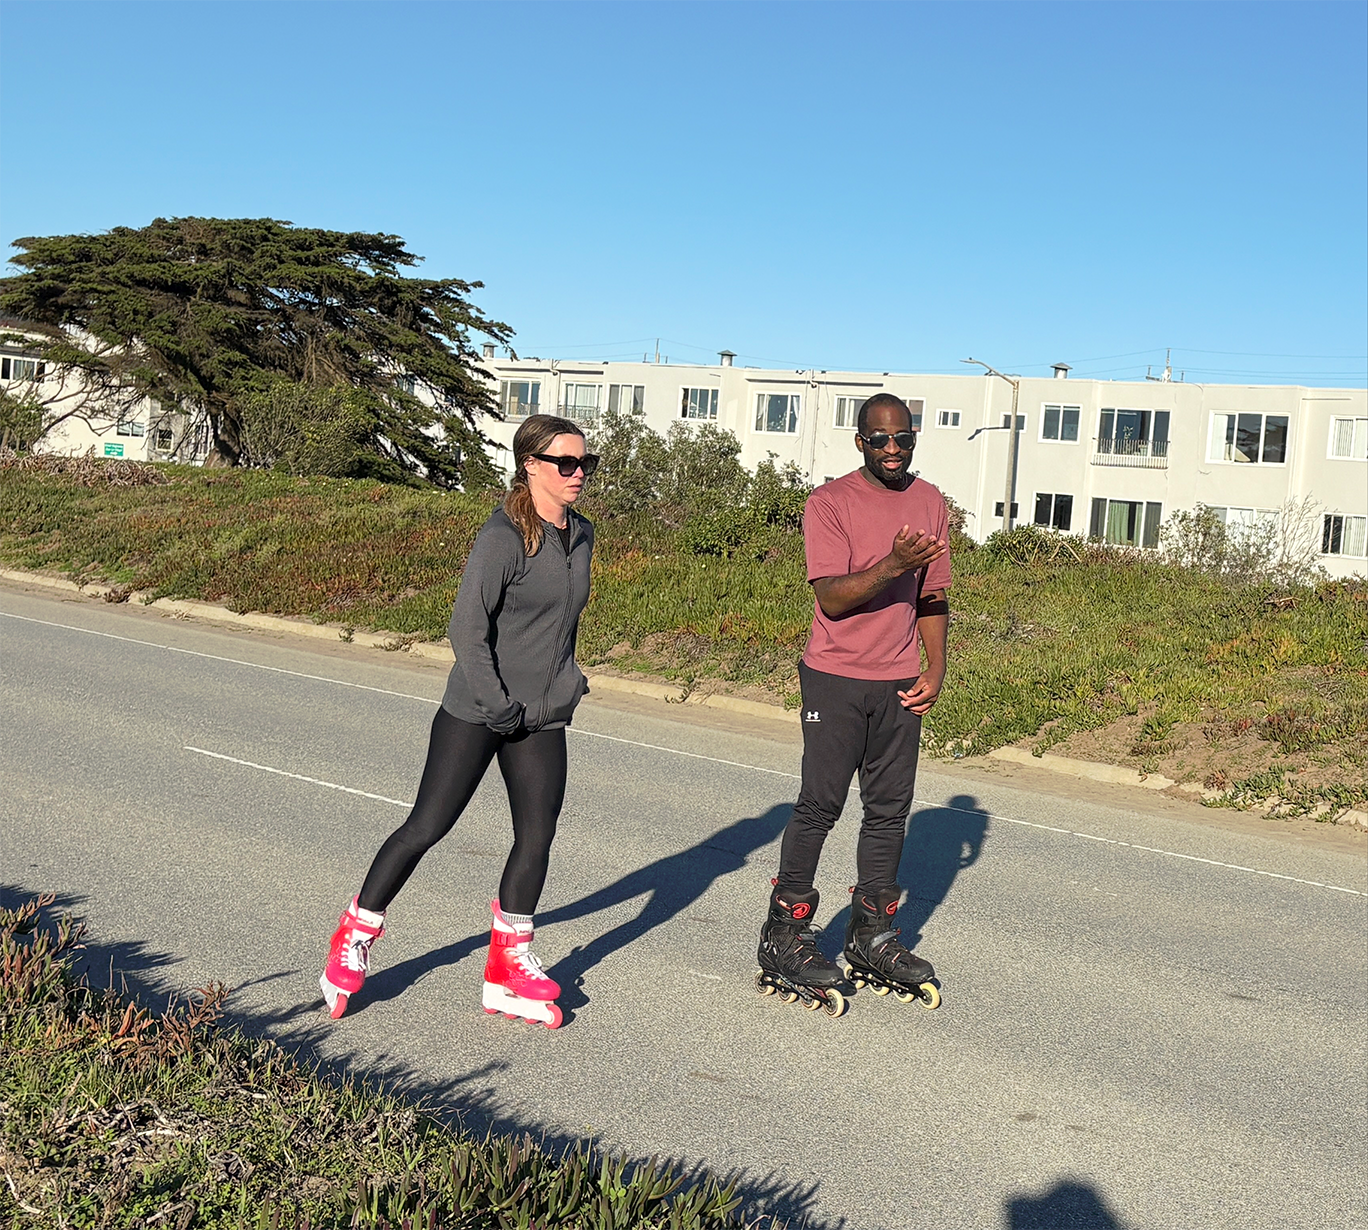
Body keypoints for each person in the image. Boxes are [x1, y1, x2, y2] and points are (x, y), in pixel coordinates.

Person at [320, 414, 597, 1029]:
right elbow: (467, 631)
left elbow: (562, 624)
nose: (578, 475)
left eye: (586, 464)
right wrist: (498, 704)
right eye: (566, 464)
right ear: (531, 466)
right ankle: (356, 933)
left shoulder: (581, 535)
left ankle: (507, 966)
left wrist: (567, 684)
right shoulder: (502, 536)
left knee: (537, 836)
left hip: (541, 716)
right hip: (477, 709)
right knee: (428, 825)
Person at [755, 393, 951, 1016]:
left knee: (890, 810)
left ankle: (871, 934)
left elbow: (934, 596)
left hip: (898, 682)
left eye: (902, 436)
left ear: (913, 437)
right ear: (860, 440)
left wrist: (937, 665)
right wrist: (893, 561)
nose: (892, 447)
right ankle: (784, 936)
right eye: (879, 437)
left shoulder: (930, 503)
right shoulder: (830, 503)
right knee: (819, 805)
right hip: (835, 677)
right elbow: (834, 599)